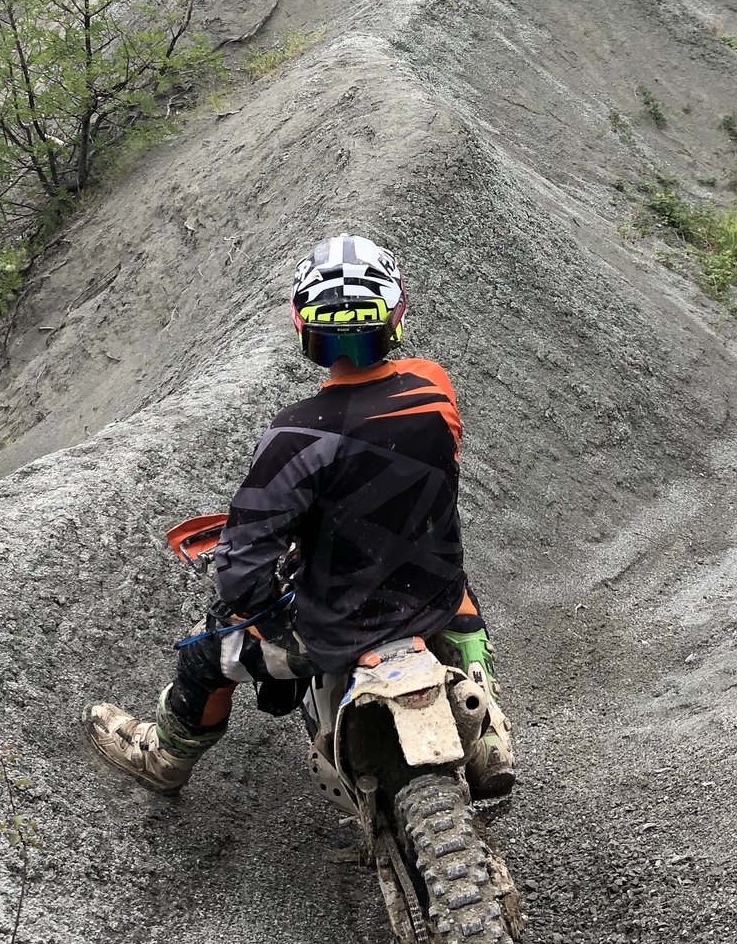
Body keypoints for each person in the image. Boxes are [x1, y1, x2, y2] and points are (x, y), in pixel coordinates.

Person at [83, 235, 515, 801]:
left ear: (304, 329)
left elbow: (240, 577)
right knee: (463, 607)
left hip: (330, 630)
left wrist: (257, 591)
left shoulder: (295, 435)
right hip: (431, 599)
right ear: (394, 318)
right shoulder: (434, 387)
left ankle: (165, 759)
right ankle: (486, 736)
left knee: (203, 653)